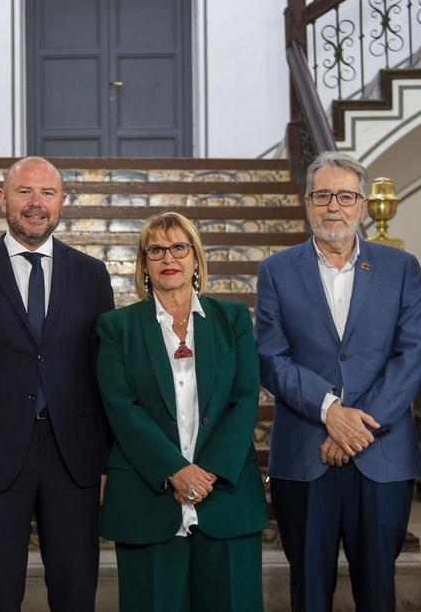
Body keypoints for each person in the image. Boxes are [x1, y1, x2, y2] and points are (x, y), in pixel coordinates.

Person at [0, 156, 114, 611]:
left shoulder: (92, 275)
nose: (36, 203)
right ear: (2, 200)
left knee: (76, 594)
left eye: (47, 193)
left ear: (63, 203)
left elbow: (106, 375)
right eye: (24, 192)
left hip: (75, 459)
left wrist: (112, 461)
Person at [255, 151, 421, 611]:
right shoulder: (276, 270)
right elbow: (271, 356)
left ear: (363, 204)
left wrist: (355, 428)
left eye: (345, 196)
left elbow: (411, 356)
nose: (334, 206)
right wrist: (330, 412)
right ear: (307, 202)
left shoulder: (402, 268)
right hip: (306, 453)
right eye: (323, 195)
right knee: (309, 592)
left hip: (382, 455)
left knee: (378, 592)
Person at [96, 212, 266, 611]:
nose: (167, 256)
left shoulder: (233, 319)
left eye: (178, 247)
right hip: (147, 499)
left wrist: (208, 474)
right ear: (143, 262)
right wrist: (174, 469)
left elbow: (244, 399)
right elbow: (121, 406)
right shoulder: (117, 327)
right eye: (156, 249)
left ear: (195, 258)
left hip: (225, 497)